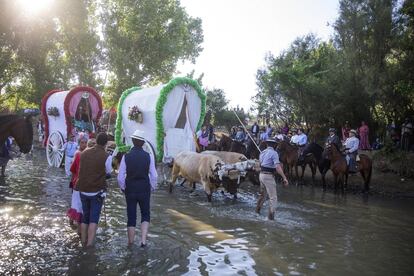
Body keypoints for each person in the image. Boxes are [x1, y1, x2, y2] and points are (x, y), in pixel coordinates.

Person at [117, 130, 157, 246]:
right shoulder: (148, 156)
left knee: (131, 216)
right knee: (145, 214)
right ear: (143, 143)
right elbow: (154, 175)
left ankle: (130, 242)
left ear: (133, 141)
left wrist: (123, 187)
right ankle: (143, 241)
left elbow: (120, 177)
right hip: (144, 189)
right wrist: (152, 187)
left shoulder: (126, 157)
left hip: (130, 189)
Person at [77, 133, 112, 247]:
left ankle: (83, 241)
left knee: (85, 217)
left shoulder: (84, 152)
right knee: (93, 219)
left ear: (96, 141)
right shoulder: (107, 156)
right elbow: (108, 172)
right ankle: (89, 245)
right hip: (96, 191)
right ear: (106, 143)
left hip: (82, 189)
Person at [256, 138, 289, 220]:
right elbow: (277, 167)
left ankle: (257, 211)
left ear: (267, 144)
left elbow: (260, 164)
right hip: (268, 176)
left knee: (262, 195)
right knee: (273, 198)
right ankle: (271, 218)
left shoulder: (262, 152)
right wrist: (284, 177)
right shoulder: (274, 153)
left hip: (261, 175)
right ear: (275, 145)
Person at [66, 136, 88, 229]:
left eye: (85, 142)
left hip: (81, 182)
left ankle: (73, 222)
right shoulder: (78, 153)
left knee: (76, 203)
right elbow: (73, 170)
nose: (84, 144)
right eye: (82, 142)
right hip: (77, 182)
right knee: (77, 203)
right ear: (79, 143)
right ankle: (76, 224)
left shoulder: (84, 153)